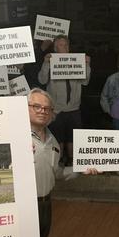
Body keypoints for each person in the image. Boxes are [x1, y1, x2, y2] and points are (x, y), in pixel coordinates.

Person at [5, 88, 96, 237]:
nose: (42, 112)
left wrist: (81, 169)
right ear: (24, 109)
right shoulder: (13, 137)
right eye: (36, 107)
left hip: (45, 205)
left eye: (47, 109)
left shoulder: (52, 140)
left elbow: (57, 173)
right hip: (24, 206)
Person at [38, 35, 92, 165]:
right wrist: (45, 63)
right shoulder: (50, 61)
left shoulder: (77, 61)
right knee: (58, 140)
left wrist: (87, 65)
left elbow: (85, 82)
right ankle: (59, 164)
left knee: (73, 140)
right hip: (56, 110)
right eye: (61, 45)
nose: (64, 47)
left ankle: (73, 164)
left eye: (66, 45)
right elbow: (42, 80)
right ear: (56, 48)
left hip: (74, 108)